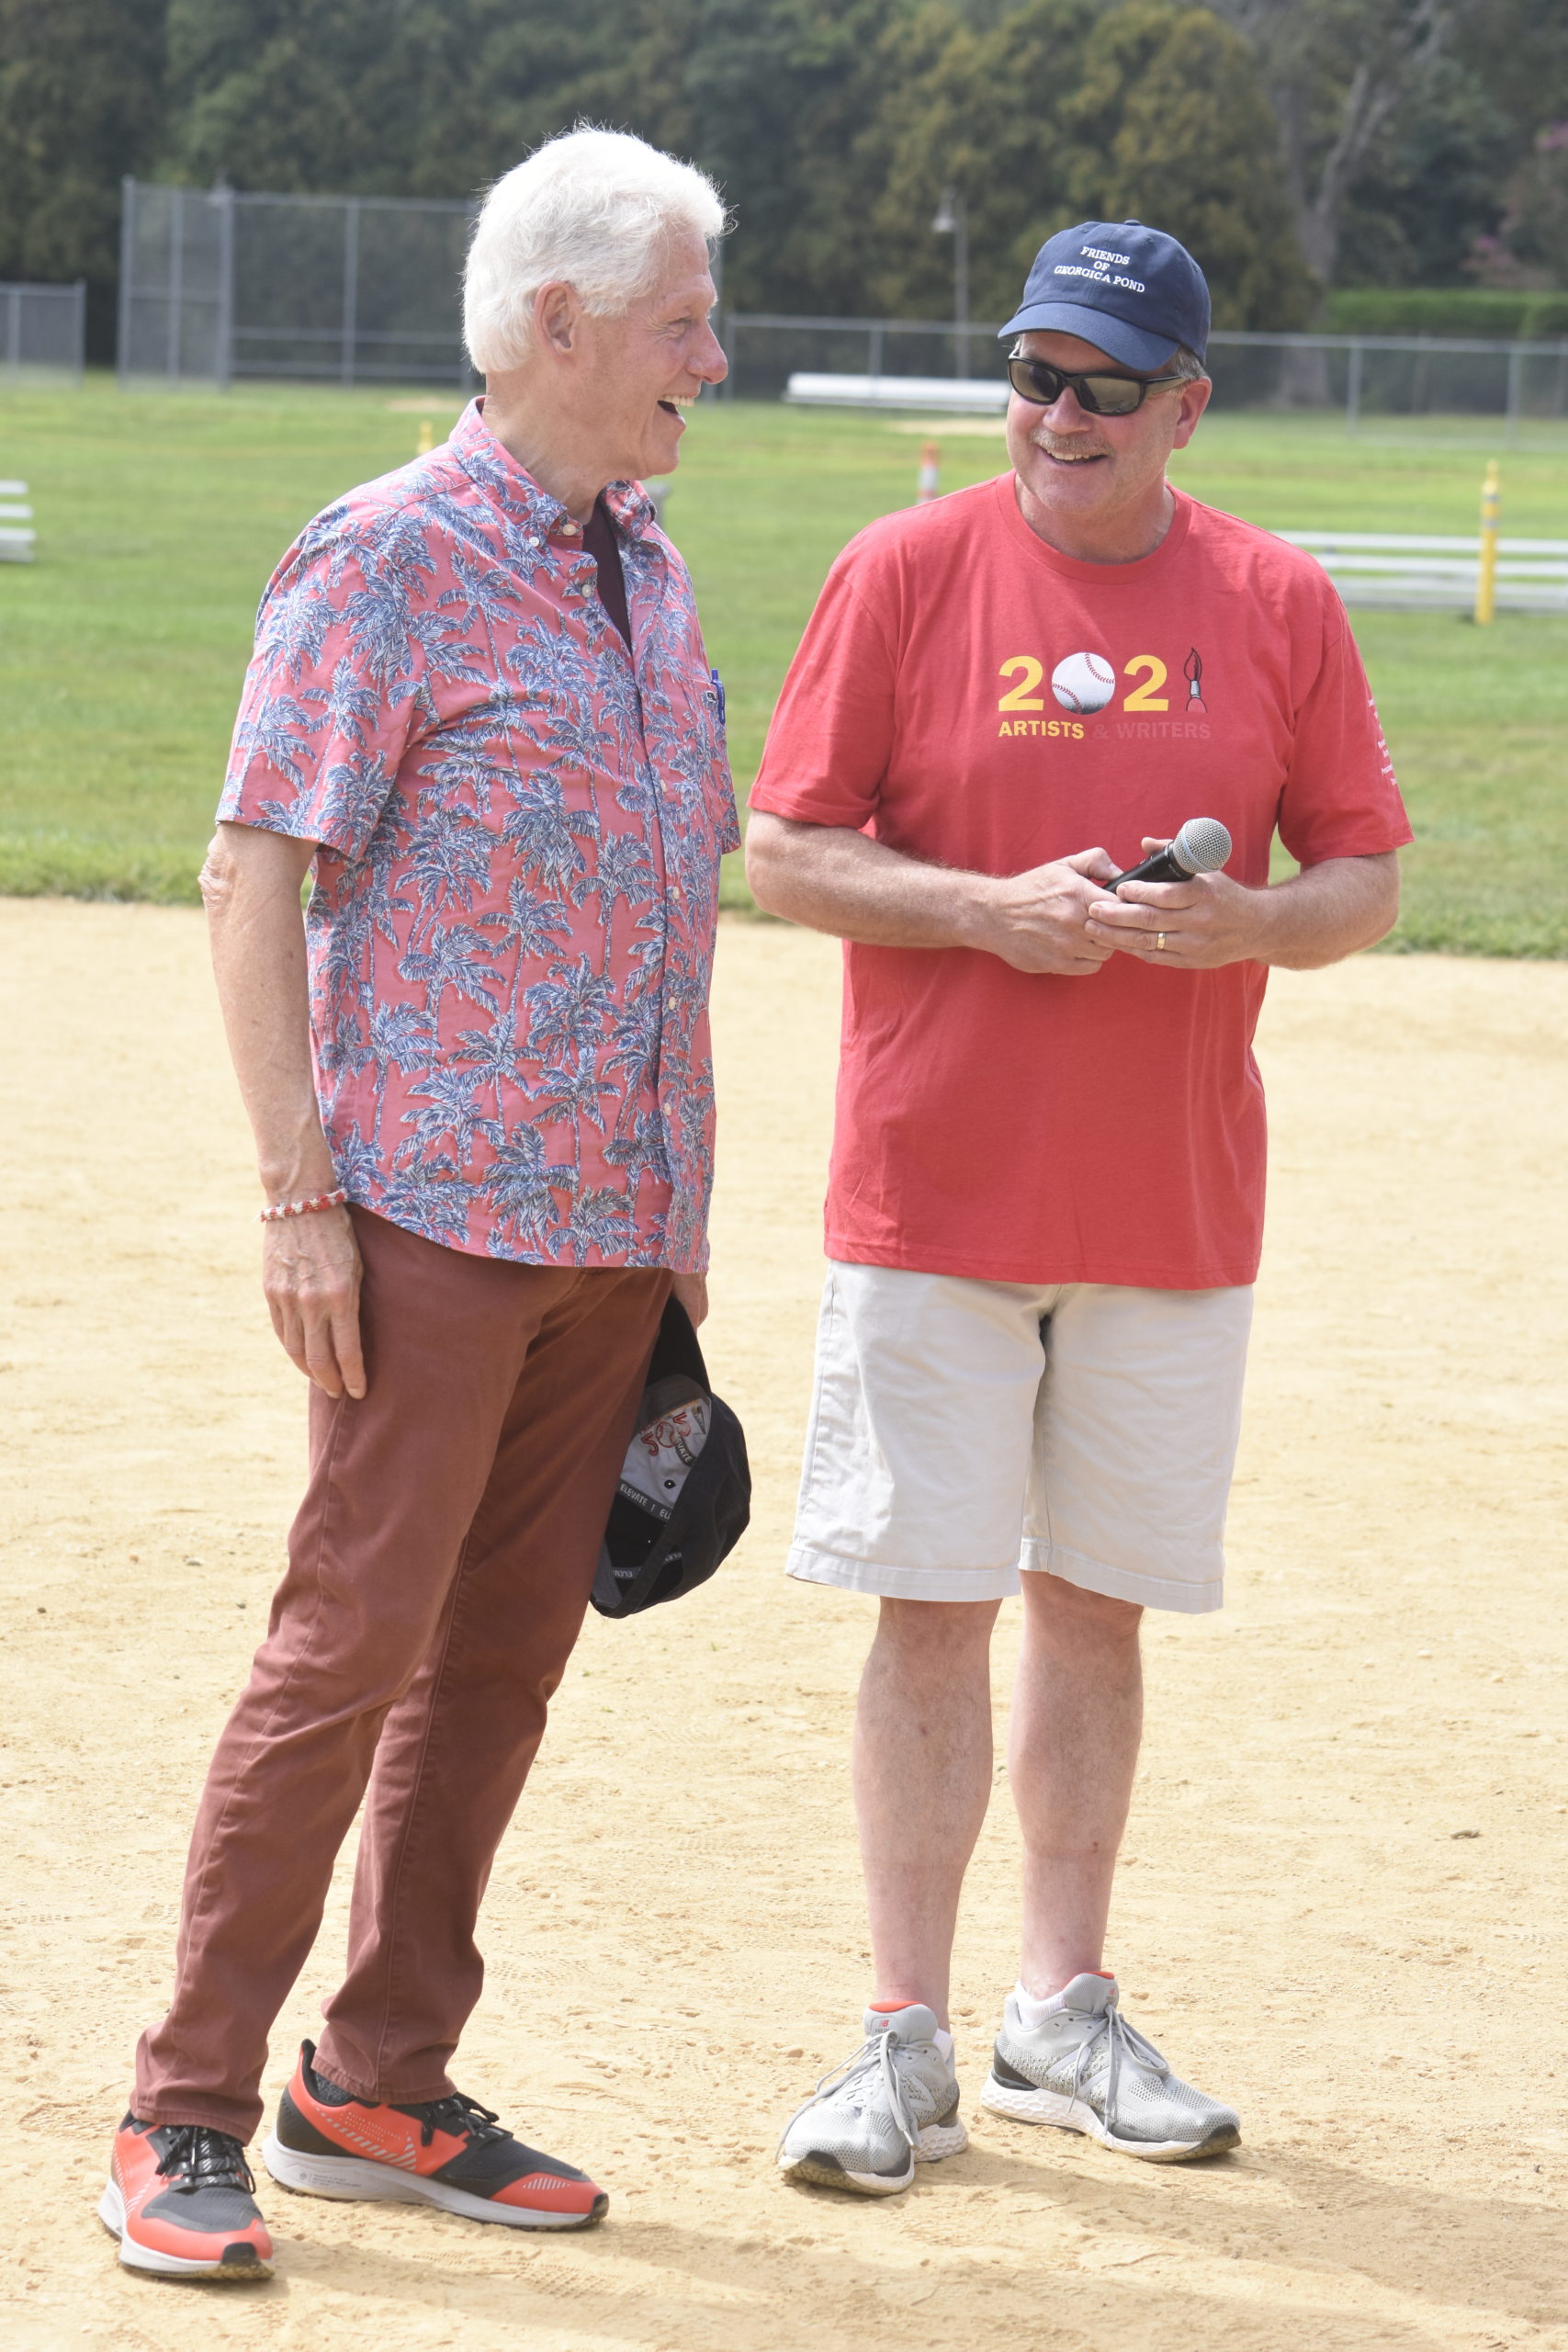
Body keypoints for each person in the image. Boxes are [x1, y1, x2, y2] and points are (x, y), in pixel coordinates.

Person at [100, 127, 735, 2280]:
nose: (710, 362)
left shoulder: (639, 568)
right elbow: (252, 868)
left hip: (603, 1233)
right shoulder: (380, 556)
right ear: (553, 324)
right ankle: (182, 2098)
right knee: (347, 1639)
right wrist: (296, 1195)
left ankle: (375, 2073)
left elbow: (669, 904)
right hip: (429, 1214)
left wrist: (678, 1222)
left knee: (500, 1660)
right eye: (680, 322)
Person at [749, 219, 1411, 2197]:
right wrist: (985, 908)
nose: (1054, 414)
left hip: (1164, 1204)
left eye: (1102, 383)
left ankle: (1059, 2008)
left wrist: (1250, 922)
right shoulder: (903, 568)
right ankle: (900, 2032)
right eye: (1032, 372)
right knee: (928, 1612)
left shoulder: (1273, 601)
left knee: (1093, 1615)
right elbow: (780, 847)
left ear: (1184, 405)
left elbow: (1362, 874)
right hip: (934, 1184)